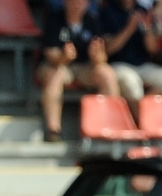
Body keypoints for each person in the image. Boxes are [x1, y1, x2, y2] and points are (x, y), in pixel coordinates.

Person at [39, 0, 120, 142]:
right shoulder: (54, 19)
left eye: (80, 2)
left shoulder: (92, 21)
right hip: (59, 65)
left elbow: (101, 57)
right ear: (65, 3)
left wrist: (97, 57)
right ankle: (53, 130)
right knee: (55, 75)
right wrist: (63, 57)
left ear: (87, 4)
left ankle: (109, 127)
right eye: (73, 2)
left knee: (107, 73)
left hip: (84, 67)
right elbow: (50, 55)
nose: (76, 5)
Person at [100, 0, 162, 120]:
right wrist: (129, 28)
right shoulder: (107, 11)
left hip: (142, 65)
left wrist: (148, 29)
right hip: (117, 64)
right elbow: (108, 49)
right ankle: (144, 123)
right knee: (132, 83)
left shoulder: (144, 11)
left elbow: (153, 49)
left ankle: (140, 118)